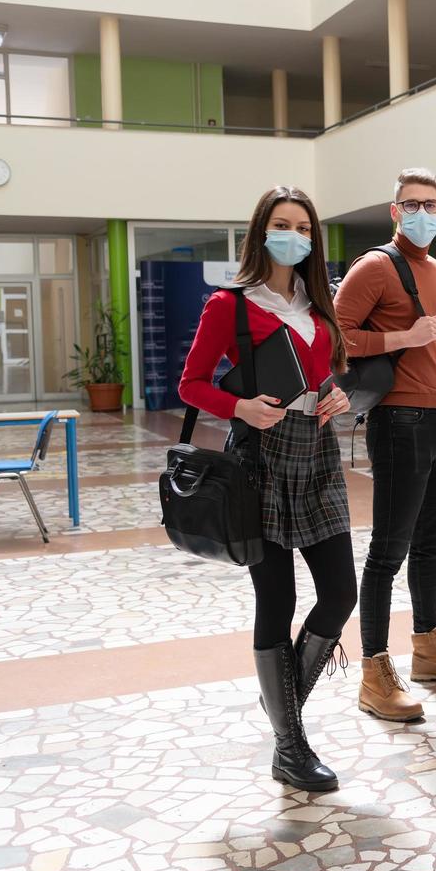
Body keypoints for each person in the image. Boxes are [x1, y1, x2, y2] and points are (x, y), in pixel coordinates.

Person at [179, 185, 356, 792]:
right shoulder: (229, 305)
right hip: (261, 457)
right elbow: (192, 385)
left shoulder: (317, 300)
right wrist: (240, 407)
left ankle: (284, 710)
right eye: (283, 225)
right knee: (276, 602)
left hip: (319, 453)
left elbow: (323, 369)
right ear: (261, 233)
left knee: (339, 592)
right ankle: (290, 745)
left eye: (304, 227)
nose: (295, 236)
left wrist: (334, 391)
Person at [334, 166, 436, 725]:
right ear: (394, 211)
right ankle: (375, 672)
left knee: (430, 545)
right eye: (411, 204)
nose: (422, 213)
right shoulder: (375, 267)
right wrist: (402, 337)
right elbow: (336, 337)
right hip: (397, 422)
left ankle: (428, 648)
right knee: (388, 552)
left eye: (432, 205)